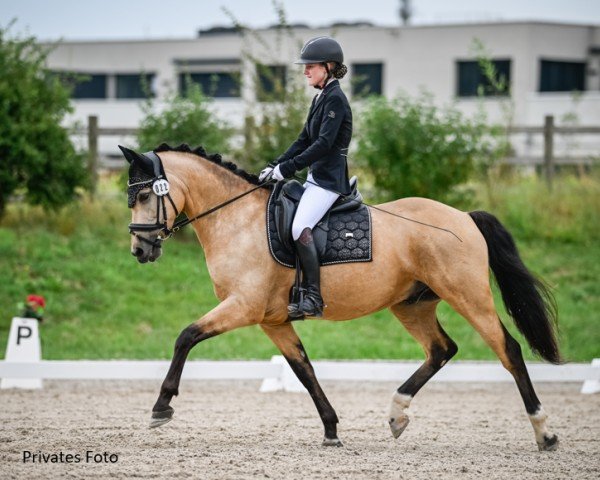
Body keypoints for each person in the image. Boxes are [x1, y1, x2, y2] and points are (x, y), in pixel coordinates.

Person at [258, 36, 352, 318]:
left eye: (310, 66)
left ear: (329, 66)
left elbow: (322, 145)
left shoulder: (336, 99)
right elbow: (303, 140)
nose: (305, 71)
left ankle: (313, 298)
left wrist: (286, 170)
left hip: (329, 182)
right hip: (315, 180)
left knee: (300, 228)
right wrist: (275, 165)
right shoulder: (320, 98)